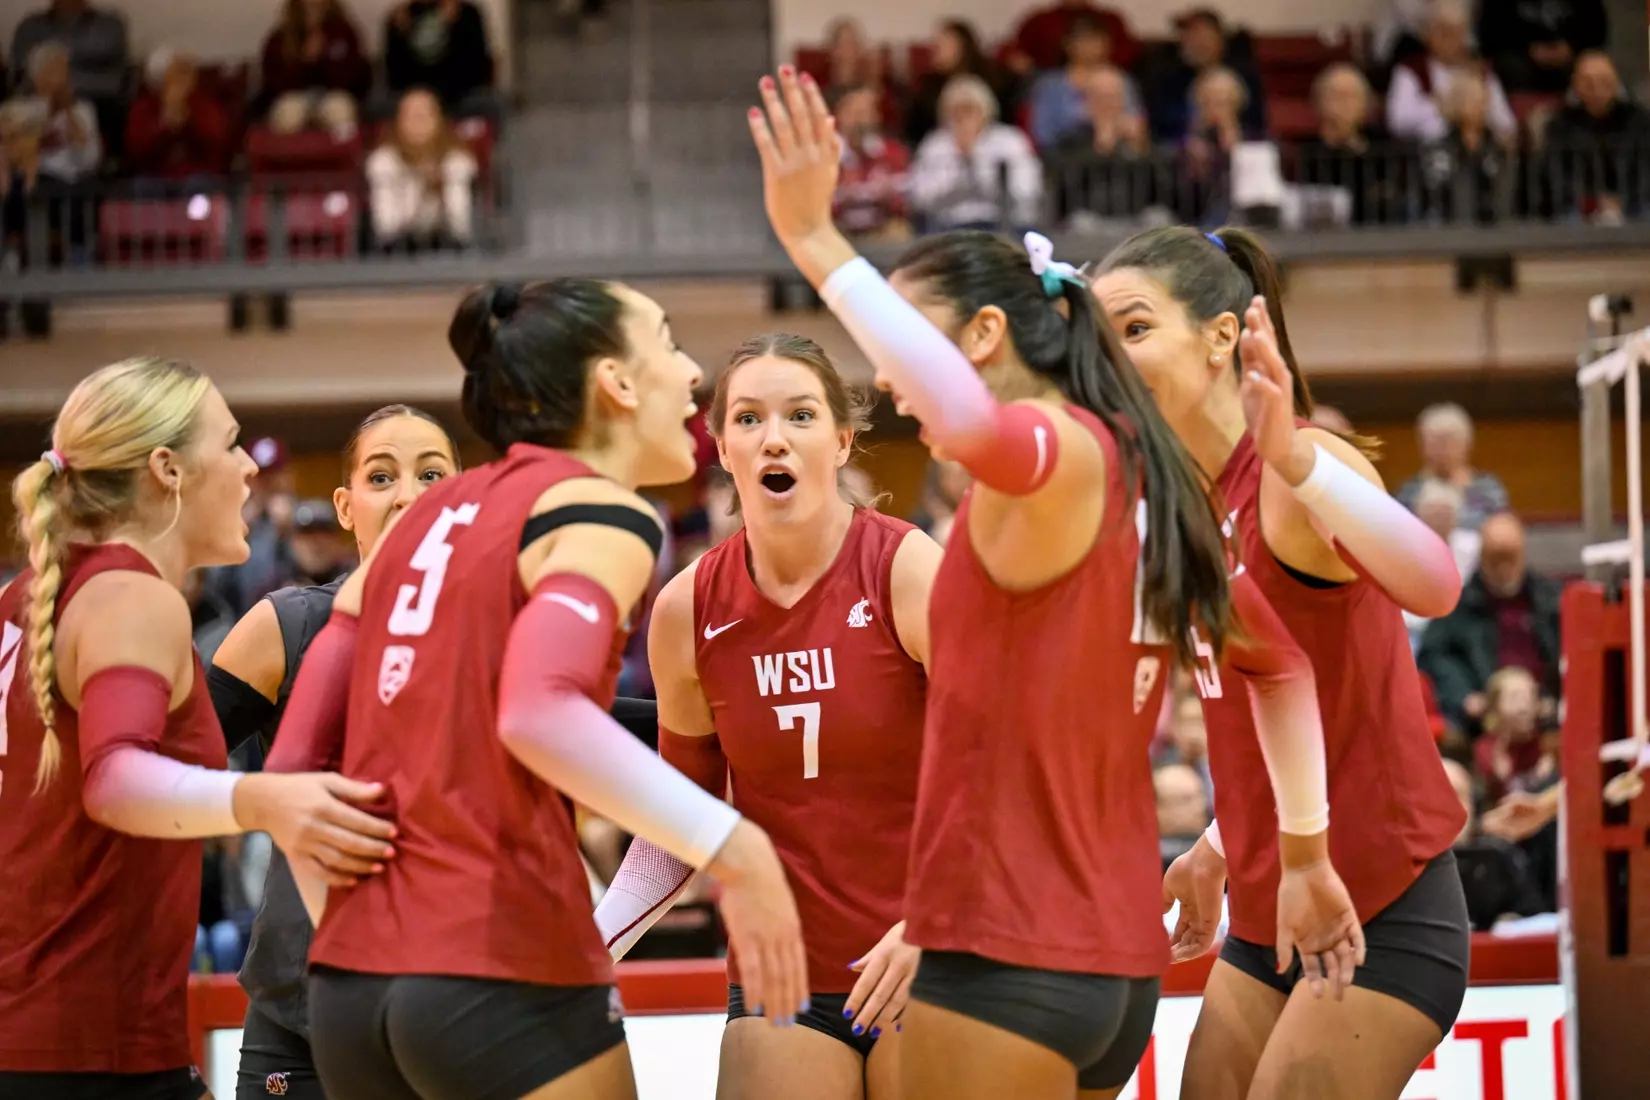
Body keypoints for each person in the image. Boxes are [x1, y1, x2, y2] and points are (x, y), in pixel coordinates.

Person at [748, 67, 1361, 1100]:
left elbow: (971, 421)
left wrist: (820, 245)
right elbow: (1282, 669)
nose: (887, 372)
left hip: (1009, 944)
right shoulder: (1154, 480)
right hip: (1111, 958)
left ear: (984, 335)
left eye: (906, 332)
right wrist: (1302, 850)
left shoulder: (1060, 446)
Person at [262, 279, 808, 1100]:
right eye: (665, 340)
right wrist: (740, 850)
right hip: (499, 972)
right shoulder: (597, 508)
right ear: (616, 383)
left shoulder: (424, 519)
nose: (690, 370)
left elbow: (288, 773)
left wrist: (364, 940)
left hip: (349, 997)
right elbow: (538, 710)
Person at [1093, 226, 1472, 1100]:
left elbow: (1437, 586)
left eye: (1137, 330)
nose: (1112, 362)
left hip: (1380, 903)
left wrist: (1301, 461)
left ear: (1223, 336)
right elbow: (1267, 701)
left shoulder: (1297, 467)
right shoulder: (1178, 503)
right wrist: (1220, 846)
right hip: (1270, 909)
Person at [0, 357, 398, 1099]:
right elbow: (115, 780)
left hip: (50, 1039)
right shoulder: (130, 596)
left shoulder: (29, 598)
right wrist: (265, 800)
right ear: (167, 470)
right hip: (90, 1053)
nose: (249, 468)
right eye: (231, 442)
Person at [593, 333, 942, 1100]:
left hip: (929, 949)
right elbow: (678, 818)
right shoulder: (687, 608)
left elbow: (1004, 767)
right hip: (783, 977)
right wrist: (588, 950)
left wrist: (938, 921)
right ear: (720, 446)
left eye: (801, 415)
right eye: (748, 419)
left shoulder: (908, 569)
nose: (774, 436)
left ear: (842, 439)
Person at [208, 405, 459, 1100]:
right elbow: (163, 773)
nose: (409, 493)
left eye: (432, 475)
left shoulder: (503, 640)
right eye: (383, 477)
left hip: (459, 1009)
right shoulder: (287, 626)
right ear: (346, 507)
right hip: (302, 1016)